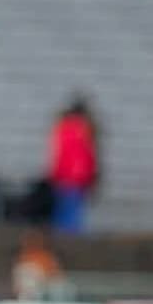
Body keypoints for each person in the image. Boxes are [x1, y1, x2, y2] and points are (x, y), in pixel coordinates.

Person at [47, 91, 100, 234]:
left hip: (64, 177)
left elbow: (58, 155)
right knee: (72, 216)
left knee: (64, 213)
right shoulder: (83, 130)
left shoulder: (62, 128)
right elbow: (87, 157)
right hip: (76, 178)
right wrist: (92, 177)